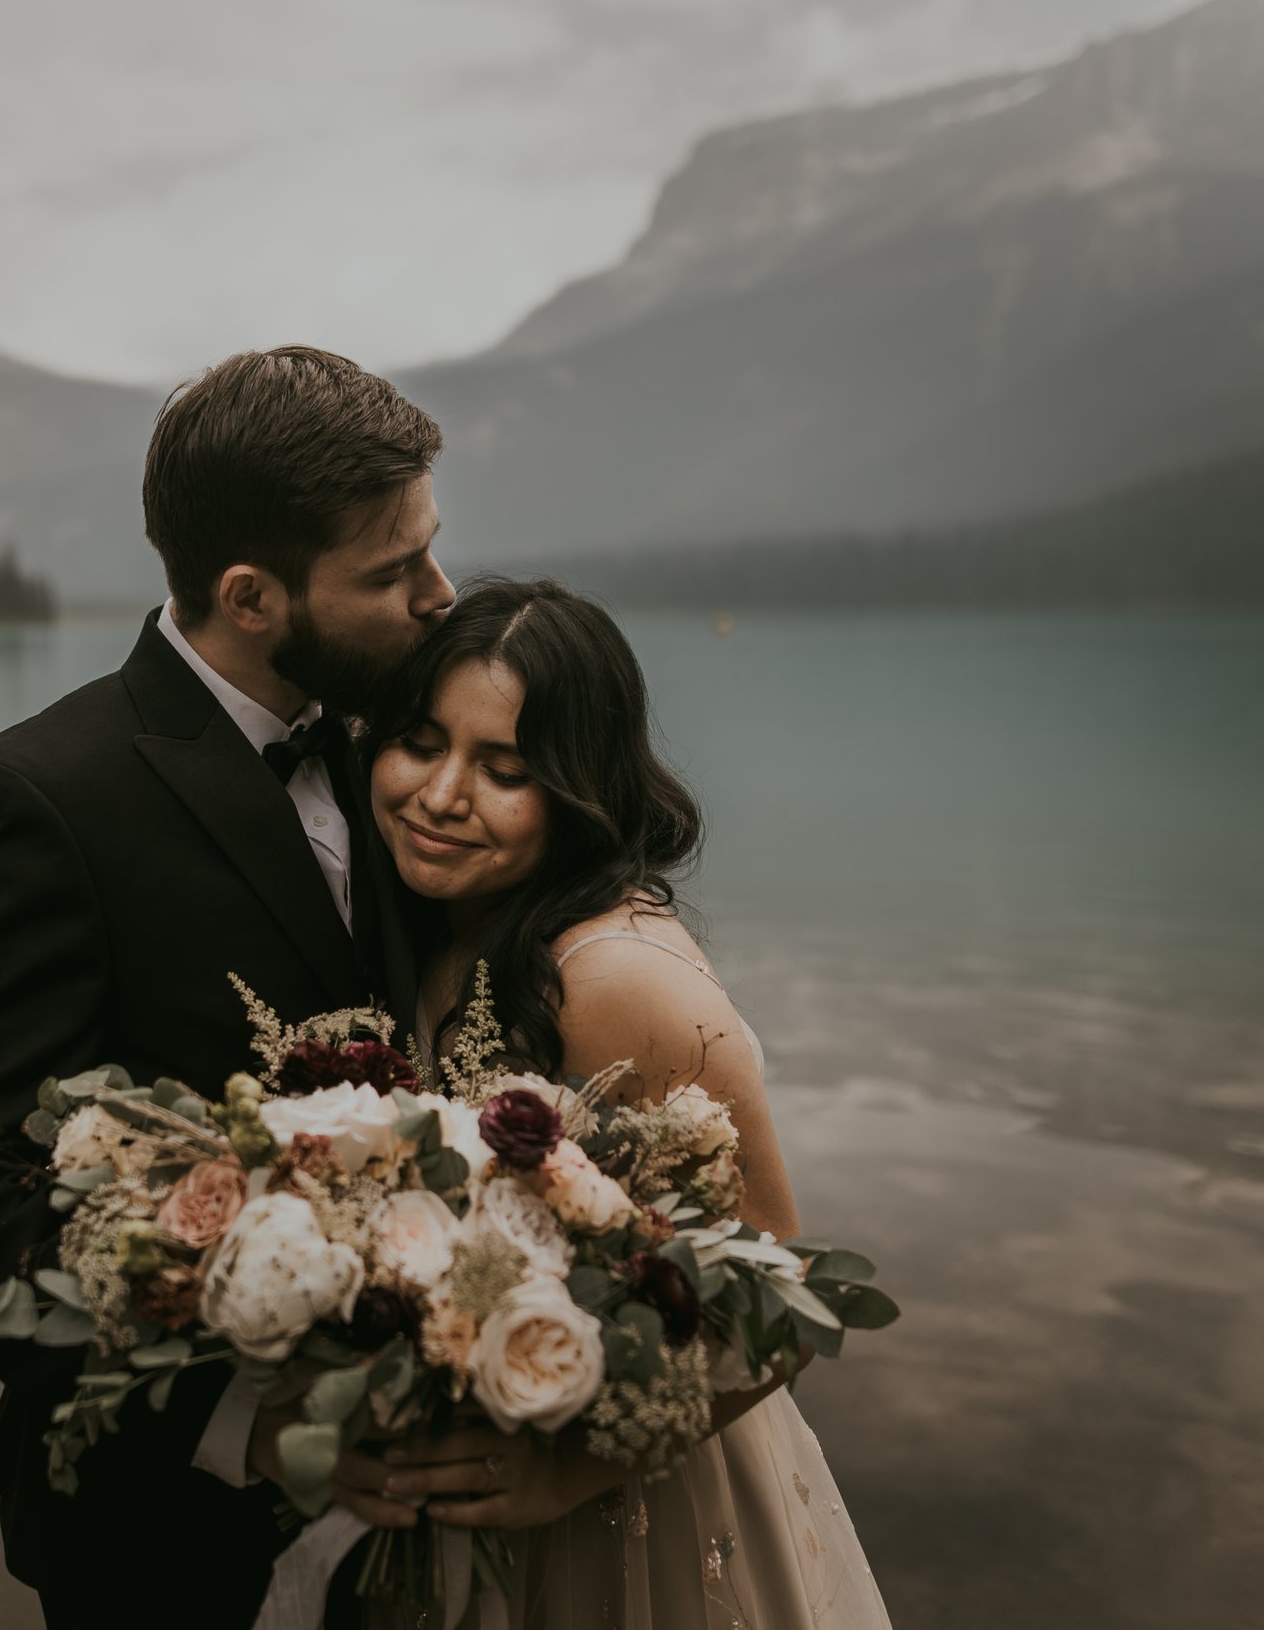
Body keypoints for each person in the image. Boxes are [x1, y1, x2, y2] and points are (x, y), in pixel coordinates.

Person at [0, 347, 456, 1630]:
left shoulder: (411, 753)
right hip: (162, 1540)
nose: (438, 594)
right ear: (250, 594)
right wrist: (243, 1422)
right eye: (392, 570)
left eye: (429, 548)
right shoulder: (35, 803)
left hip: (427, 1523)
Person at [338, 578, 894, 1628]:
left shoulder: (618, 980)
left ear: (577, 787)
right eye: (420, 741)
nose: (441, 793)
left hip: (632, 1512)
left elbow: (785, 1287)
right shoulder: (461, 920)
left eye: (502, 768)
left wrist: (578, 1470)